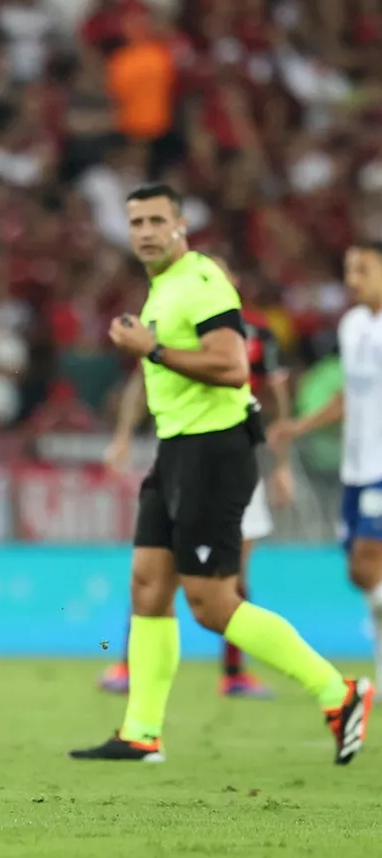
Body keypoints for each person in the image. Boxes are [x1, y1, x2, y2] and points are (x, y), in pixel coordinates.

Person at [69, 183, 371, 765]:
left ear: (182, 225)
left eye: (158, 219)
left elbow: (234, 368)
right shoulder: (163, 289)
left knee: (211, 602)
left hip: (215, 451)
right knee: (148, 586)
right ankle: (141, 732)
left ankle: (338, 691)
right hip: (177, 450)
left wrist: (152, 349)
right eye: (137, 222)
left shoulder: (201, 281)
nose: (147, 231)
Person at [97, 252, 296, 699]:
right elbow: (140, 382)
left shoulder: (258, 333)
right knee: (152, 572)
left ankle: (235, 673)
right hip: (181, 455)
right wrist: (125, 436)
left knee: (231, 578)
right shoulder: (170, 326)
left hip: (232, 458)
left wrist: (281, 464)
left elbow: (280, 400)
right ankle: (130, 668)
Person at [271, 241, 382, 700]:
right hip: (355, 468)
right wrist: (300, 425)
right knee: (361, 576)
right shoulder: (353, 325)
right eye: (348, 268)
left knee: (367, 563)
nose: (352, 278)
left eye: (363, 268)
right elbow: (350, 397)